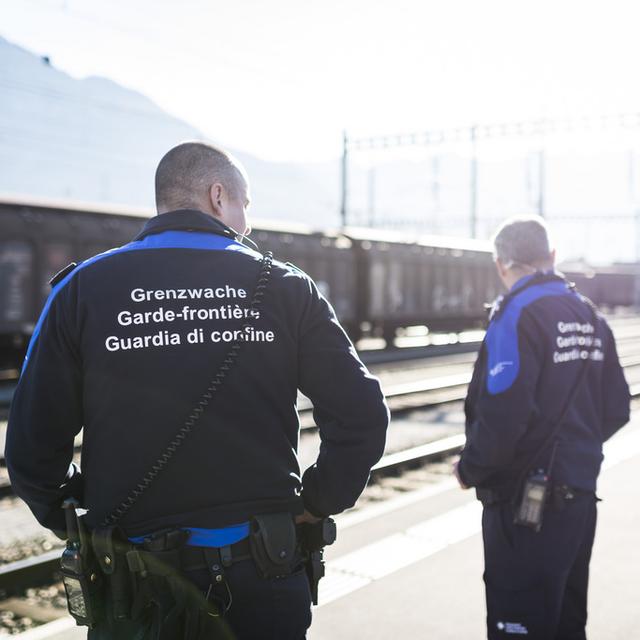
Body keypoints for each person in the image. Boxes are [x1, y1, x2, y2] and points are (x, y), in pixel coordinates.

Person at [6, 142, 389, 639]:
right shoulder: (285, 287)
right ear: (217, 196)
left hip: (136, 591)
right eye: (245, 205)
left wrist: (79, 511)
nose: (247, 224)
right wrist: (319, 500)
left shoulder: (82, 289)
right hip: (264, 573)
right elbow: (361, 415)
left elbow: (31, 447)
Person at [454, 216, 630, 640]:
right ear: (552, 257)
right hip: (579, 501)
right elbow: (618, 408)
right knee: (567, 624)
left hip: (524, 509)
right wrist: (572, 449)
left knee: (519, 625)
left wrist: (470, 468)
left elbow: (503, 416)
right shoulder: (589, 316)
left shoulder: (516, 315)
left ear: (501, 265)